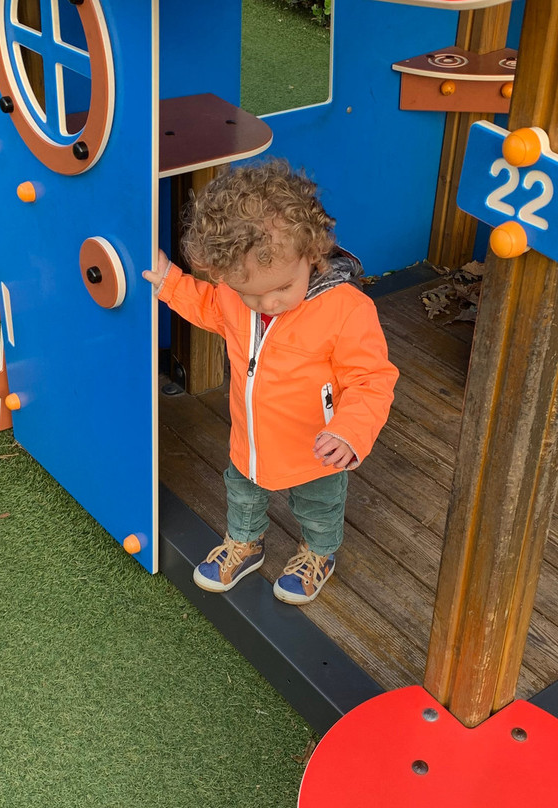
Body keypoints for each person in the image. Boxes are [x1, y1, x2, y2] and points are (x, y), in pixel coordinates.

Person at [142, 159, 398, 605]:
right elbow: (209, 306)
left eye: (281, 288)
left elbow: (371, 379)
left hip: (318, 447)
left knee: (318, 506)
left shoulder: (347, 311)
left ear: (313, 255)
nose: (268, 303)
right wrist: (168, 282)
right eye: (250, 294)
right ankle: (245, 543)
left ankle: (318, 553)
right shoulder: (238, 297)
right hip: (252, 440)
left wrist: (350, 431)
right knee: (241, 492)